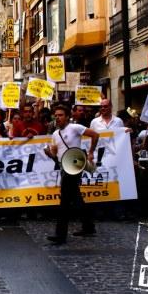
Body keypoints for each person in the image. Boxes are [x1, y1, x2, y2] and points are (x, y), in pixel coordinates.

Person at [45, 105, 99, 245]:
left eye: (61, 115)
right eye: (56, 115)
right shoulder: (56, 134)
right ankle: (89, 226)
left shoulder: (75, 128)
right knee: (76, 198)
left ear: (67, 116)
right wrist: (49, 153)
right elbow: (56, 156)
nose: (57, 117)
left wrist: (91, 152)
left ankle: (60, 235)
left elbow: (95, 135)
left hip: (75, 165)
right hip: (64, 167)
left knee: (64, 202)